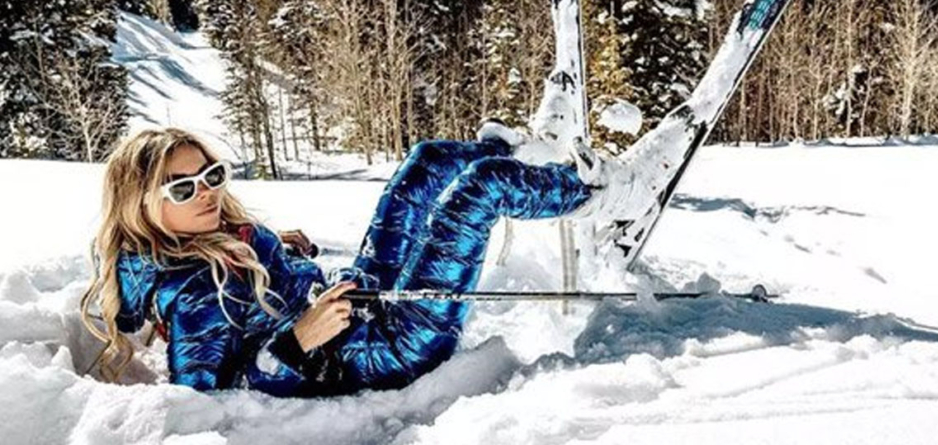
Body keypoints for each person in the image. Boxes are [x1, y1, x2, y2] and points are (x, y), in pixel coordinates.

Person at [80, 122, 610, 397]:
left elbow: (252, 294)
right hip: (387, 348)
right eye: (182, 189)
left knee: (426, 163)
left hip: (356, 303)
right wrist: (298, 340)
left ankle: (533, 158)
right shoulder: (197, 293)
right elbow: (208, 397)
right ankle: (599, 194)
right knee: (480, 192)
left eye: (211, 175)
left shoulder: (215, 236)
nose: (206, 193)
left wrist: (271, 248)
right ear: (140, 205)